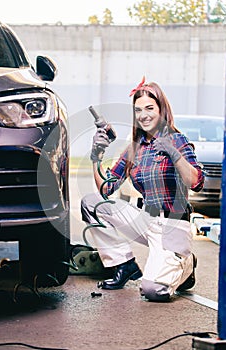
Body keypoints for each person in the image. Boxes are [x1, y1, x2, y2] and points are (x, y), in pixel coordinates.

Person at [81, 77, 205, 302]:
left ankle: (186, 264)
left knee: (153, 291)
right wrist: (96, 155)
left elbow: (196, 181)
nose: (143, 115)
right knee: (91, 203)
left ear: (161, 110)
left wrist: (173, 152)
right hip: (146, 220)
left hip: (173, 225)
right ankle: (124, 264)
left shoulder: (177, 140)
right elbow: (106, 190)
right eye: (138, 110)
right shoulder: (134, 149)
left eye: (149, 108)